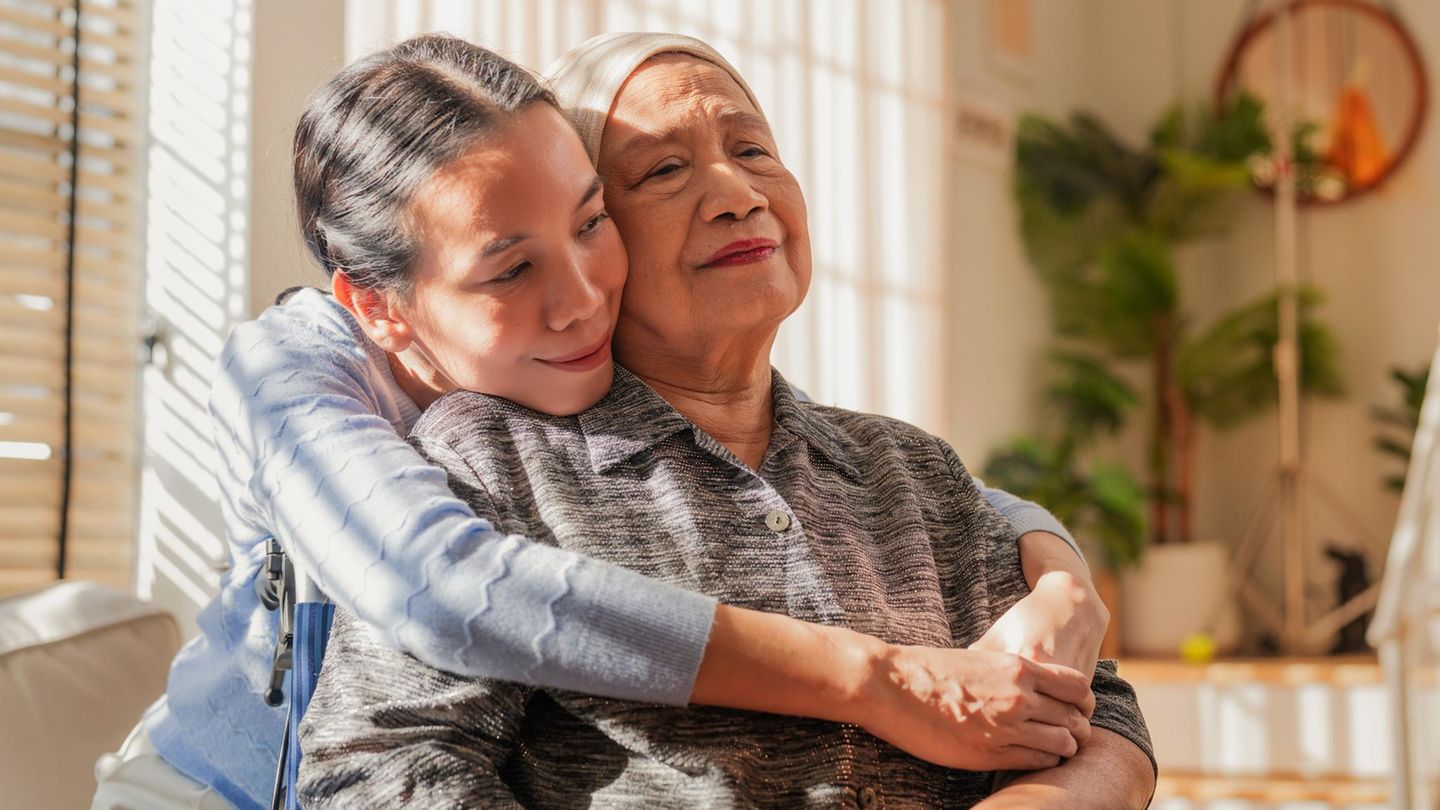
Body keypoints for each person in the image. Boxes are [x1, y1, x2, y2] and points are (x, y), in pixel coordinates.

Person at [93, 34, 1109, 810]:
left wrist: (1058, 566)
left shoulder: (900, 464)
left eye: (586, 225)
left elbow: (1098, 709)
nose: (582, 297)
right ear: (380, 304)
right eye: (662, 171)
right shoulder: (350, 400)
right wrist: (879, 680)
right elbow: (443, 598)